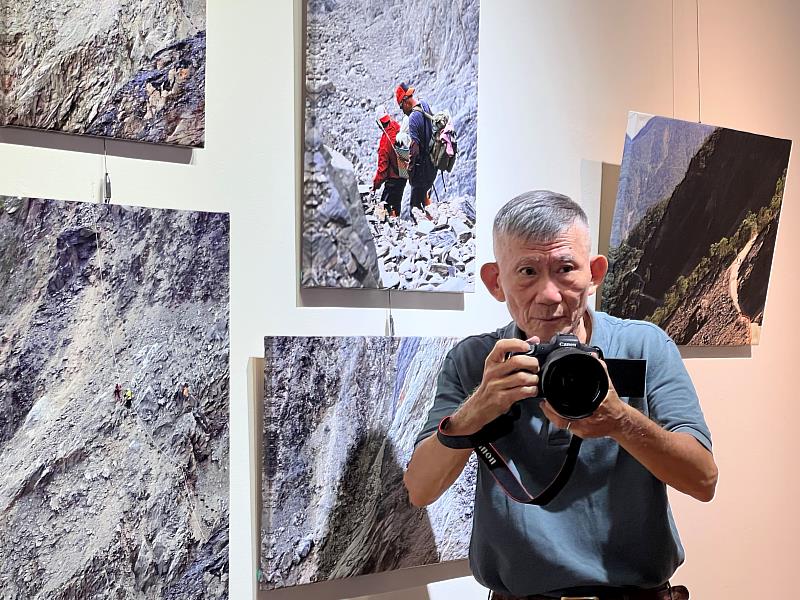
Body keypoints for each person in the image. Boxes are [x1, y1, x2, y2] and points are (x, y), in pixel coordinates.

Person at [403, 190, 718, 600]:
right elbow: (420, 489)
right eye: (528, 272)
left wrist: (621, 420)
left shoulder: (643, 347)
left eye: (565, 269)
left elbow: (703, 479)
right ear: (496, 282)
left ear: (595, 273)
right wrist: (477, 410)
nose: (549, 295)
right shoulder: (476, 360)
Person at [395, 83, 436, 216]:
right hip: (432, 164)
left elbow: (415, 148)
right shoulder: (424, 104)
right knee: (425, 201)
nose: (403, 111)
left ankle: (422, 235)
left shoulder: (412, 118)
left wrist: (410, 170)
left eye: (401, 107)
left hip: (421, 171)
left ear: (405, 101)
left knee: (415, 208)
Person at [371, 104, 407, 218]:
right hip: (404, 173)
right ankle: (398, 225)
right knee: (397, 203)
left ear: (379, 123)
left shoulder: (384, 143)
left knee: (384, 207)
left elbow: (383, 170)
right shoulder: (397, 126)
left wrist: (375, 185)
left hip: (393, 179)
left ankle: (391, 230)